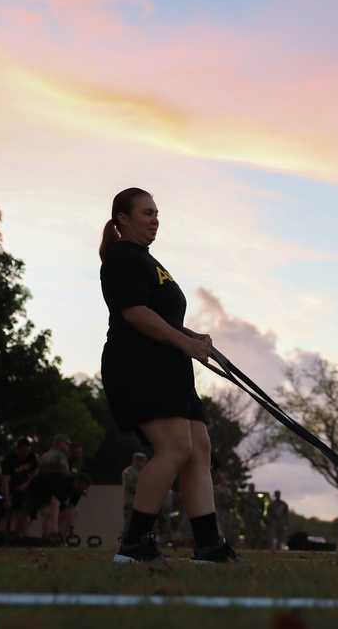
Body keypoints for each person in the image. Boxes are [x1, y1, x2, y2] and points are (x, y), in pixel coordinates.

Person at [99, 187, 241, 564]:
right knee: (175, 447)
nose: (154, 220)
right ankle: (135, 545)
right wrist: (182, 342)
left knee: (200, 450)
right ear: (123, 219)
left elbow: (161, 316)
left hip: (167, 364)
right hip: (138, 364)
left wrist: (190, 336)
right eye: (146, 213)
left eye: (157, 213)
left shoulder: (148, 260)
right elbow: (134, 313)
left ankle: (210, 547)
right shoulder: (122, 258)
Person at [26, 470, 91, 540]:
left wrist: (71, 527)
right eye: (81, 489)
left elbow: (71, 508)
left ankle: (59, 539)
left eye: (84, 490)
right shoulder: (64, 482)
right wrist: (54, 526)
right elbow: (55, 504)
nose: (82, 492)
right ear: (76, 483)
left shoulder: (78, 490)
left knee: (64, 514)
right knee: (48, 512)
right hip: (39, 489)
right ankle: (46, 539)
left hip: (52, 492)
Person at [0, 437, 39, 535]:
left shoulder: (31, 457)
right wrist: (7, 499)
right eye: (23, 452)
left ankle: (21, 536)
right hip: (12, 488)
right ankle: (10, 535)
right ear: (17, 449)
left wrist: (26, 484)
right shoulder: (9, 461)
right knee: (12, 514)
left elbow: (35, 472)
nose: (25, 455)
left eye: (27, 452)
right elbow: (5, 481)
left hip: (25, 488)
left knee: (25, 515)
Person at [121, 451, 148, 538]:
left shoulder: (144, 471)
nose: (144, 463)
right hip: (131, 502)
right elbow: (130, 486)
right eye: (142, 461)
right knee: (129, 524)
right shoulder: (129, 471)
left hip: (142, 503)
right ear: (136, 461)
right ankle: (126, 542)